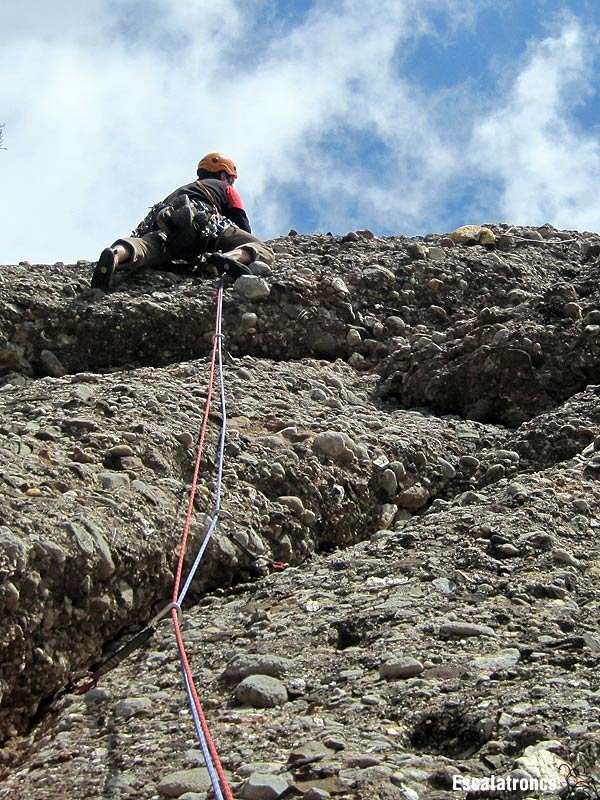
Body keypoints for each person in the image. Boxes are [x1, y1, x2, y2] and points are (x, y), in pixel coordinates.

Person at [91, 152, 274, 290]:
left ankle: (115, 255)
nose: (231, 183)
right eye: (231, 179)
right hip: (204, 224)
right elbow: (241, 222)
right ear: (224, 175)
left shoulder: (179, 191)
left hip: (166, 225)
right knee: (263, 249)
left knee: (146, 245)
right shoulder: (225, 188)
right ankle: (226, 259)